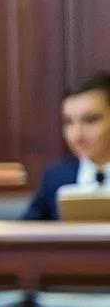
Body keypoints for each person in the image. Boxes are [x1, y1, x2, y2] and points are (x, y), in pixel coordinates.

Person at [25, 73, 110, 220]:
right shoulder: (55, 177)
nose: (77, 135)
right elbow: (23, 235)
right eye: (69, 123)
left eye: (90, 120)